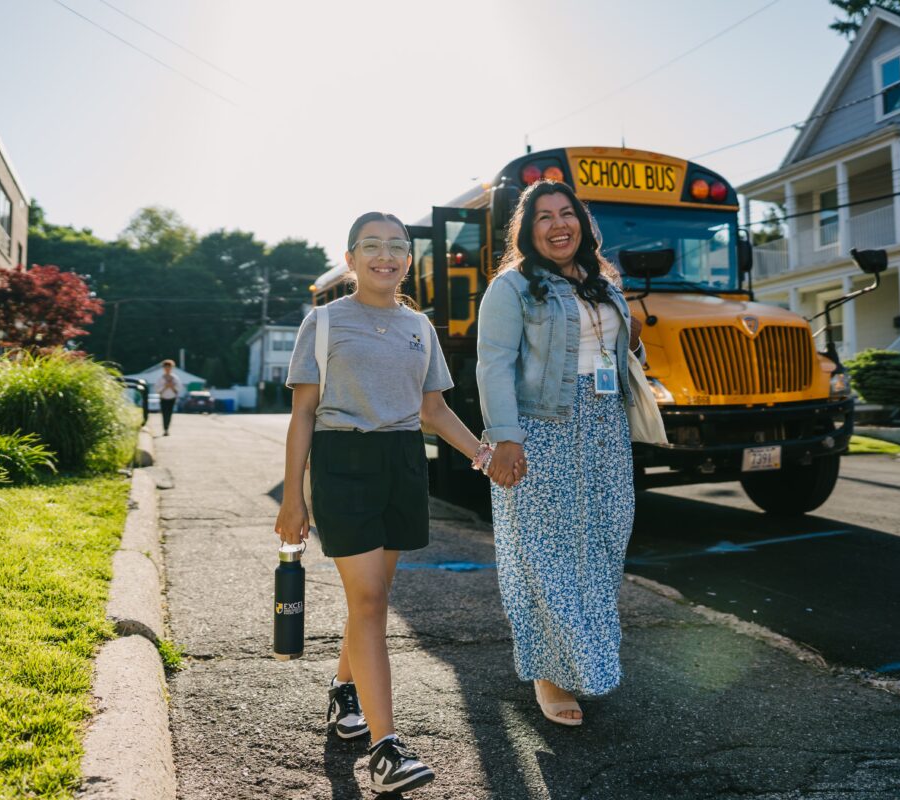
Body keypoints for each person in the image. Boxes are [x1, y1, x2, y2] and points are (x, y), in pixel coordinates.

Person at [274, 211, 485, 795]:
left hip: (402, 465)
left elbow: (433, 410)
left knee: (375, 598)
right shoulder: (323, 321)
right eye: (371, 245)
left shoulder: (420, 325)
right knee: (367, 600)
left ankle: (345, 692)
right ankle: (385, 748)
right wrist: (294, 498)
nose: (384, 255)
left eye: (397, 247)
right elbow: (303, 415)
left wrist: (485, 457)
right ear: (351, 259)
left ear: (409, 262)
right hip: (343, 465)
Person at [476, 180, 643, 726]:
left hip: (604, 429)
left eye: (566, 213)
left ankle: (587, 662)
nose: (557, 225)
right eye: (543, 216)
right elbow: (494, 364)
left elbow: (615, 354)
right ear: (528, 230)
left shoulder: (602, 283)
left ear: (582, 223)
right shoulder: (512, 287)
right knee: (543, 557)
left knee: (599, 548)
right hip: (540, 429)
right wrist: (505, 438)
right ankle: (548, 674)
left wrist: (629, 337)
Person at [155, 359, 180, 436]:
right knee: (164, 414)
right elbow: (157, 390)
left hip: (172, 398)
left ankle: (167, 428)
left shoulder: (175, 378)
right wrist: (165, 387)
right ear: (164, 368)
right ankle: (165, 428)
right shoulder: (160, 378)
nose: (167, 368)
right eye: (166, 367)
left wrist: (172, 386)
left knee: (169, 414)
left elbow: (178, 389)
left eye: (169, 367)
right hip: (163, 398)